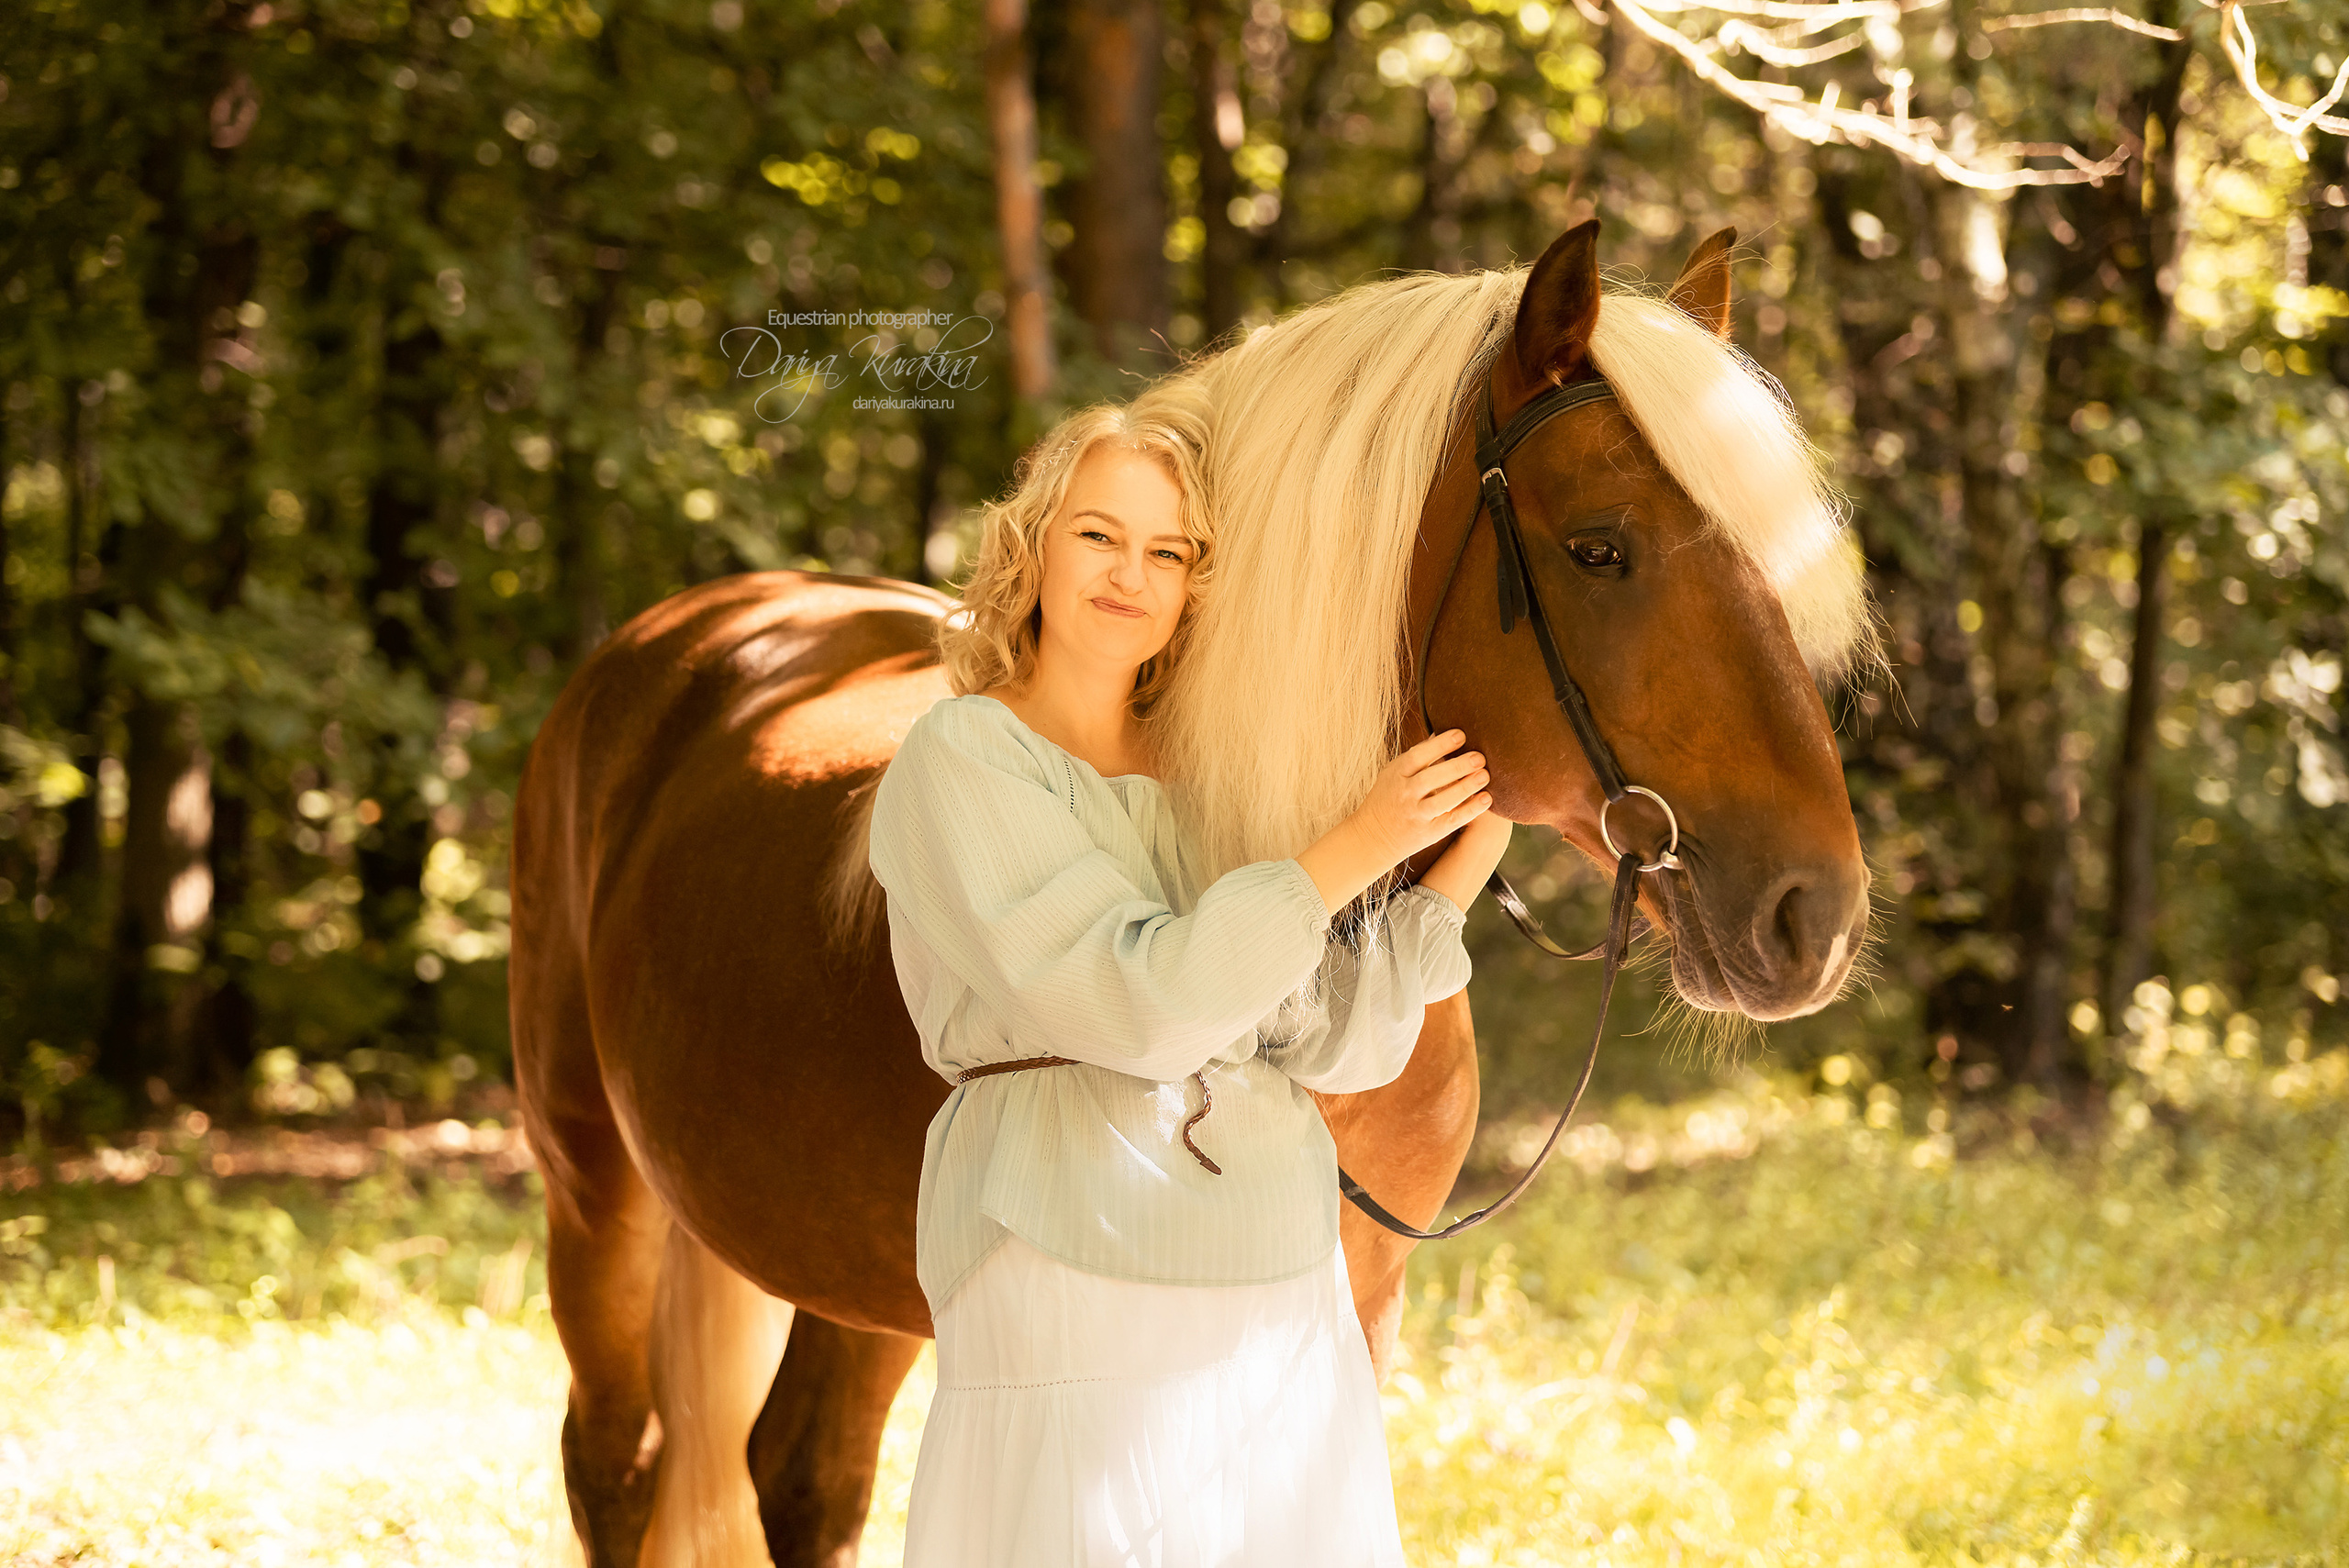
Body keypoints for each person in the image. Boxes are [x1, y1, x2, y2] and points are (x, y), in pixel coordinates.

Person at [865, 382, 1514, 1567]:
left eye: (1170, 551)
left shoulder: (1215, 783)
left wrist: (1449, 879)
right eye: (1100, 534)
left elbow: (1330, 1042)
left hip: (1275, 1246)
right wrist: (1352, 847)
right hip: (1067, 1224)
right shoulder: (961, 759)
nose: (1132, 573)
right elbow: (1140, 1005)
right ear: (1034, 544)